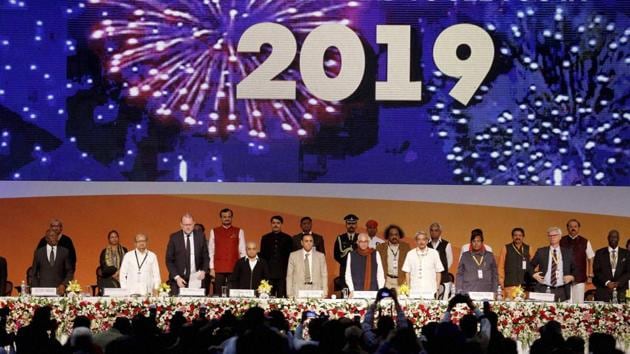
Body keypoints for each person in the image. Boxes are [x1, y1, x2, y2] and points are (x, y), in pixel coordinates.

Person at [165, 213, 209, 295]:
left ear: (193, 224)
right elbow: (169, 260)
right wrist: (177, 278)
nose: (188, 227)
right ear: (181, 225)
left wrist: (203, 271)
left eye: (190, 224)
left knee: (197, 305)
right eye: (185, 225)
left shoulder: (200, 236)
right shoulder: (174, 237)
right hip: (178, 279)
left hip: (196, 279)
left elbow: (206, 257)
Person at [531, 227, 576, 302]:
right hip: (544, 288)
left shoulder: (568, 252)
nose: (552, 237)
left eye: (554, 235)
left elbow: (575, 269)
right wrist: (533, 274)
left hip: (562, 290)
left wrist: (572, 277)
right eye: (550, 236)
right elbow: (530, 266)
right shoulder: (541, 251)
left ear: (560, 236)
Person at [208, 208, 246, 295]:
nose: (227, 218)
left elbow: (242, 251)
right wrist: (211, 268)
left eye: (229, 216)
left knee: (233, 293)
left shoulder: (239, 231)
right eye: (224, 217)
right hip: (218, 268)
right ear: (221, 218)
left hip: (234, 267)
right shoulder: (214, 231)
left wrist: (242, 268)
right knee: (218, 293)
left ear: (232, 217)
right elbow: (211, 250)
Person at [30, 229, 74, 295]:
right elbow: (34, 273)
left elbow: (70, 271)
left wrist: (64, 285)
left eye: (56, 236)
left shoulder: (64, 252)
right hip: (42, 291)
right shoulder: (39, 253)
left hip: (59, 291)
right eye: (52, 236)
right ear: (46, 238)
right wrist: (36, 289)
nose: (55, 238)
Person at [560, 218, 595, 304]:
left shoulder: (585, 241)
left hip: (579, 277)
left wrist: (590, 275)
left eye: (575, 226)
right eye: (571, 226)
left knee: (578, 302)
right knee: (565, 302)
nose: (573, 228)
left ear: (579, 228)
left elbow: (590, 258)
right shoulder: (561, 241)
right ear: (567, 228)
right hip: (564, 277)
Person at [402, 231, 444, 298]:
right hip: (414, 290)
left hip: (430, 290)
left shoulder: (434, 253)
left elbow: (438, 272)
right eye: (419, 239)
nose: (421, 242)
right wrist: (408, 287)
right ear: (416, 241)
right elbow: (407, 272)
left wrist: (437, 288)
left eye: (423, 239)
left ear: (427, 241)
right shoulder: (410, 254)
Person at [259, 215, 292, 297]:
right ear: (271, 224)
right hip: (269, 273)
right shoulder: (265, 238)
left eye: (278, 223)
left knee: (281, 297)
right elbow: (262, 256)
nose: (275, 225)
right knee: (269, 296)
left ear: (281, 224)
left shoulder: (288, 238)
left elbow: (290, 257)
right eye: (273, 223)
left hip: (282, 273)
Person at [593, 230, 630, 302]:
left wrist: (618, 283)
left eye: (615, 237)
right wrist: (607, 282)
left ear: (618, 239)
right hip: (603, 290)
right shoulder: (599, 253)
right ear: (608, 238)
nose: (613, 239)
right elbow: (596, 270)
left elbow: (628, 271)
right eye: (611, 237)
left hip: (621, 290)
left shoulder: (626, 253)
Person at [498, 227, 532, 298]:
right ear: (512, 237)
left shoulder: (528, 248)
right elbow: (501, 266)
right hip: (510, 284)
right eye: (515, 235)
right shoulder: (506, 248)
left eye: (520, 235)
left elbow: (533, 266)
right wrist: (501, 281)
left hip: (525, 285)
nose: (518, 237)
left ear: (523, 237)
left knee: (525, 307)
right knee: (509, 306)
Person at [376, 224, 410, 290]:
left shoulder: (406, 247)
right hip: (386, 280)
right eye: (391, 235)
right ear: (387, 236)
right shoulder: (380, 248)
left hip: (401, 281)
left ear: (400, 235)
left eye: (396, 234)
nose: (394, 236)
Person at [427, 222, 453, 299]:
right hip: (430, 278)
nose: (434, 232)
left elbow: (450, 259)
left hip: (444, 278)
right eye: (431, 230)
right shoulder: (426, 244)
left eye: (436, 230)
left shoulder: (446, 244)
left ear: (440, 232)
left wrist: (441, 270)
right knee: (431, 300)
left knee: (443, 301)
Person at [334, 214, 360, 290]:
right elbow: (336, 255)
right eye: (349, 224)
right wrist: (346, 263)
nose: (351, 226)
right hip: (344, 269)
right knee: (344, 291)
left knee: (357, 292)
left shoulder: (360, 238)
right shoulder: (340, 238)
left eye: (353, 224)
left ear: (356, 225)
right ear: (346, 225)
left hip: (358, 270)